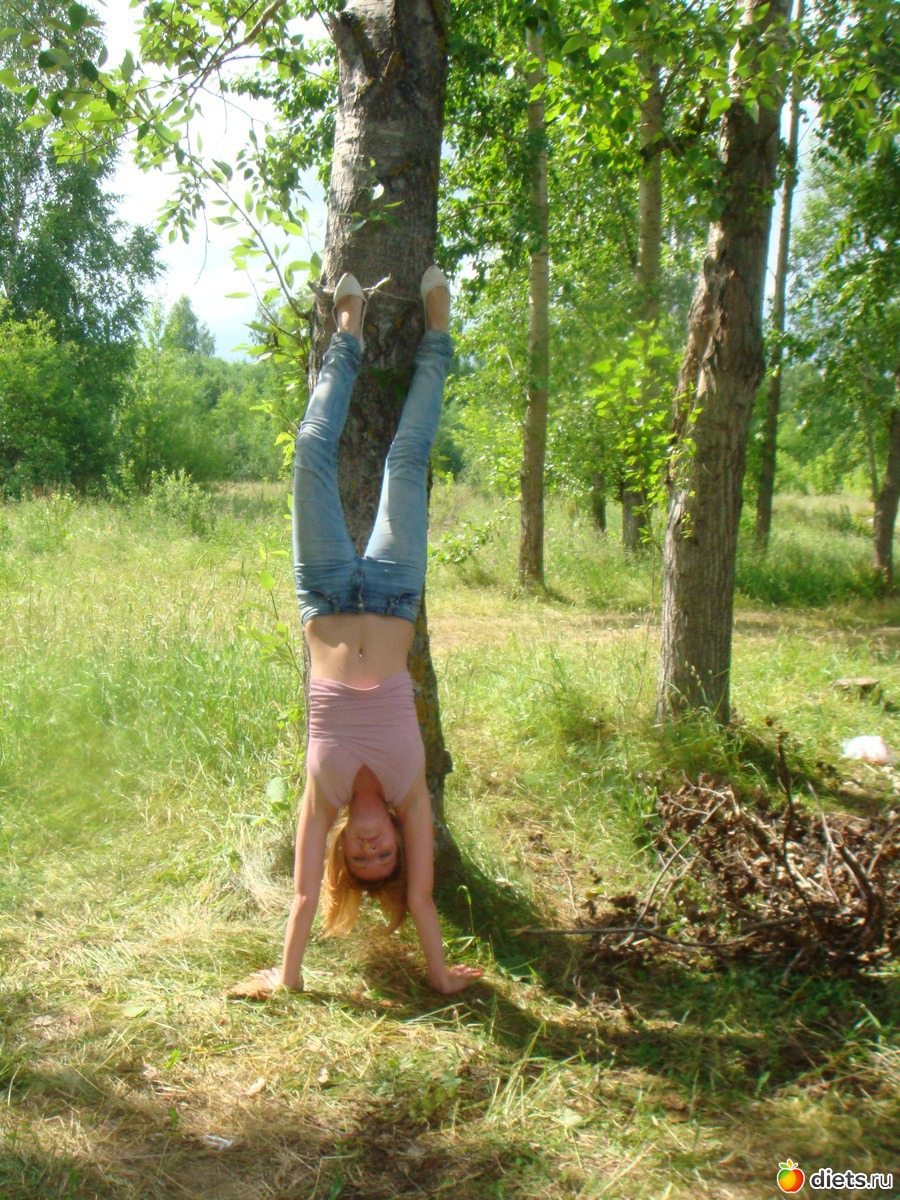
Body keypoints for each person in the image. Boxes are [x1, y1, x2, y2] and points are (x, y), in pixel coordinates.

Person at [234, 266, 483, 999]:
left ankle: (346, 331)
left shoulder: (323, 797)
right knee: (407, 456)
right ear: (401, 841)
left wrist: (286, 978)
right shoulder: (411, 794)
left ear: (345, 848)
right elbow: (422, 900)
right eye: (385, 858)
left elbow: (303, 895)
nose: (373, 850)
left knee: (312, 450)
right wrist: (439, 975)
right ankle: (438, 331)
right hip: (396, 593)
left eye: (362, 859)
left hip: (323, 593)